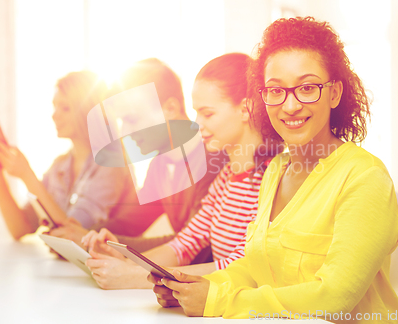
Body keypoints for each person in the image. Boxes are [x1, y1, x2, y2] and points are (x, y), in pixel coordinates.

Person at [153, 17, 398, 323]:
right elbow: (258, 269)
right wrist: (196, 287)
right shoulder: (276, 171)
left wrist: (218, 299)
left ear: (335, 93)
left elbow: (335, 297)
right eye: (275, 90)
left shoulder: (364, 177)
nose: (290, 105)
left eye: (308, 87)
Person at [82, 53, 282, 290]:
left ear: (245, 109)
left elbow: (242, 265)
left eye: (208, 114)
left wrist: (133, 276)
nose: (198, 123)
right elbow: (183, 245)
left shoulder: (273, 179)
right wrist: (127, 262)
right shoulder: (226, 179)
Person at [50, 58, 227, 253]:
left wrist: (94, 240)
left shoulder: (214, 162)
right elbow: (130, 222)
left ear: (170, 109)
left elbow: (194, 244)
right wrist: (84, 233)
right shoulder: (160, 165)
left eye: (132, 119)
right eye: (122, 122)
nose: (125, 132)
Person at [0, 71, 133, 240]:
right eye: (55, 106)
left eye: (65, 108)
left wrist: (26, 174)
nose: (54, 115)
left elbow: (74, 234)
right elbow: (20, 227)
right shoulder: (60, 165)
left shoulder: (112, 164)